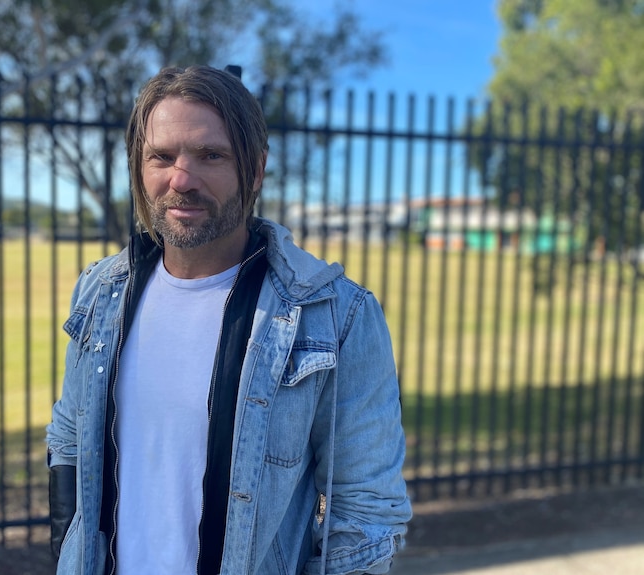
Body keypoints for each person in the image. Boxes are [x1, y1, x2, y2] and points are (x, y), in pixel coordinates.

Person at [46, 65, 412, 575]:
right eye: (161, 156)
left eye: (210, 155)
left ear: (255, 170)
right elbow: (69, 436)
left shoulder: (333, 315)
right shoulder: (99, 291)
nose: (181, 178)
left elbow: (367, 513)